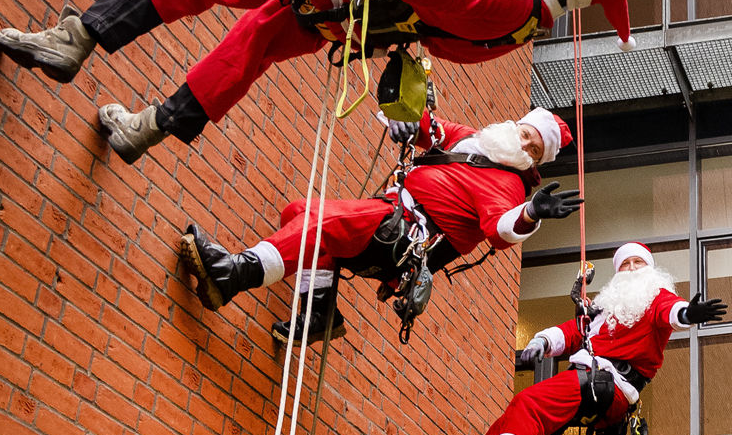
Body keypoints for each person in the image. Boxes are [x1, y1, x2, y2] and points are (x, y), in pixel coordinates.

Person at [0, 0, 634, 162]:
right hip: (347, 12)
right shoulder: (519, 11)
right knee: (254, 44)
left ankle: (82, 35)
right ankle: (150, 127)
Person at [421, 243, 727, 435]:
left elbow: (671, 313)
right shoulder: (608, 310)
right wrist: (543, 340)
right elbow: (575, 331)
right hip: (592, 380)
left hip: (608, 382)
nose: (632, 268)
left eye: (638, 262)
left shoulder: (655, 296)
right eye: (625, 264)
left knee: (531, 404)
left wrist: (689, 313)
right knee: (510, 418)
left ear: (650, 269)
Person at [177, 107, 580, 342]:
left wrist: (531, 212)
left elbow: (502, 229)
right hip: (390, 213)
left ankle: (233, 274)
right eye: (528, 135)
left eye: (534, 150)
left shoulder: (508, 183)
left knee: (320, 221)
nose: (526, 145)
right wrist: (403, 119)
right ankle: (320, 315)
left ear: (534, 162)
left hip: (405, 236)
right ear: (517, 125)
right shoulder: (469, 138)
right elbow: (422, 125)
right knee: (298, 212)